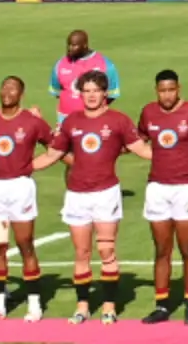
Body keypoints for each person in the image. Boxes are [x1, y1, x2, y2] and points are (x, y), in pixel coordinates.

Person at [52, 70, 139, 320]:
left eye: (95, 90)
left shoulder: (118, 120)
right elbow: (54, 153)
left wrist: (172, 157)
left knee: (106, 251)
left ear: (105, 93)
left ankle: (109, 306)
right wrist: (25, 168)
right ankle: (82, 306)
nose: (91, 96)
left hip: (105, 192)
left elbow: (139, 147)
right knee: (81, 253)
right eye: (86, 91)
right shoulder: (71, 121)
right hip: (77, 193)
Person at [140, 66, 188, 319]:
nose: (166, 95)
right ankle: (162, 304)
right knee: (161, 250)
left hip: (185, 187)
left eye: (171, 90)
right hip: (157, 187)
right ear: (156, 91)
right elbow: (138, 139)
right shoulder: (148, 112)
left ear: (178, 89)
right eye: (162, 91)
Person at [0, 75, 57, 319]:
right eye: (4, 86)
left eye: (13, 88)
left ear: (21, 95)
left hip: (20, 188)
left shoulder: (32, 122)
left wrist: (35, 164)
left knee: (25, 245)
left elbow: (54, 146)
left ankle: (34, 303)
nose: (7, 91)